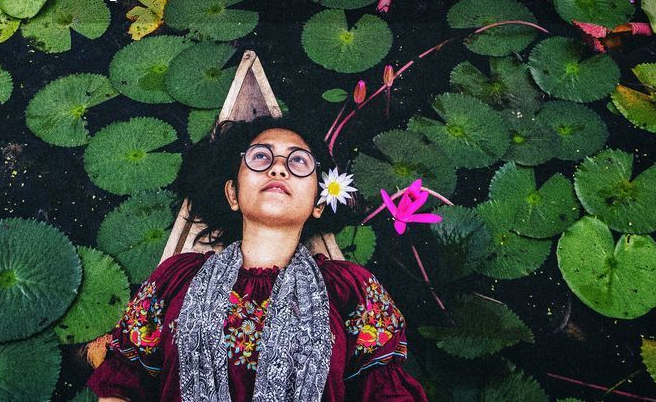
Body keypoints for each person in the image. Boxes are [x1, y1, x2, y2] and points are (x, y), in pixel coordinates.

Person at [87, 114, 429, 402]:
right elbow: (123, 380)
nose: (279, 168)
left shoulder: (350, 289)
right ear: (233, 194)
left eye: (298, 161)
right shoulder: (177, 278)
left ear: (318, 204)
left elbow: (385, 390)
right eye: (260, 157)